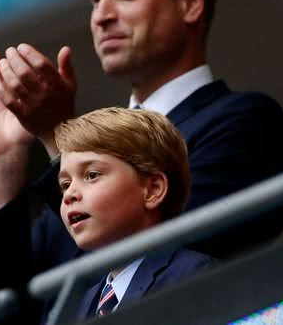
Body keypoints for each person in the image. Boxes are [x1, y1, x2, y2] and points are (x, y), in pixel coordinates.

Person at [0, 0, 283, 299]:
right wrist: (4, 161)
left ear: (190, 3)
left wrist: (59, 136)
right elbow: (2, 312)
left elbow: (164, 264)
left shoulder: (243, 120)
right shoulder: (73, 176)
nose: (101, 16)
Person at [53, 107, 213, 320]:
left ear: (153, 190)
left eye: (92, 175)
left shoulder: (193, 276)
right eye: (65, 184)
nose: (69, 194)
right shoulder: (74, 306)